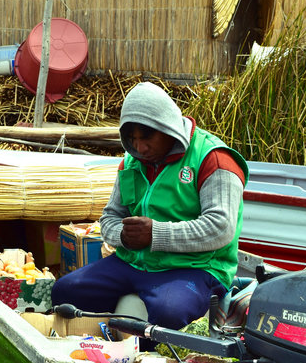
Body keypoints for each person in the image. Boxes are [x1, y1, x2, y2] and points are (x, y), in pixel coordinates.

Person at [51, 82, 248, 330]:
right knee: (65, 291)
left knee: (169, 313)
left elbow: (221, 228)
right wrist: (123, 236)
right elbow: (110, 217)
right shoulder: (132, 162)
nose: (140, 147)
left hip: (195, 268)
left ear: (168, 129)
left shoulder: (214, 160)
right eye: (132, 139)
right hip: (134, 263)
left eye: (147, 137)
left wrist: (155, 234)